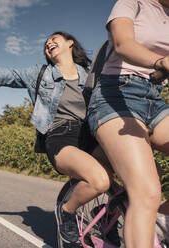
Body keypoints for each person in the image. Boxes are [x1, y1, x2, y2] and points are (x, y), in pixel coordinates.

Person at [0, 31, 115, 244]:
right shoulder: (41, 73)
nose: (49, 43)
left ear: (70, 43)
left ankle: (109, 209)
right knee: (99, 181)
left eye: (55, 38)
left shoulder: (90, 76)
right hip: (61, 137)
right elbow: (5, 75)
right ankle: (66, 210)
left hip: (90, 137)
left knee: (133, 172)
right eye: (46, 43)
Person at [86, 0, 169, 246]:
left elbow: (158, 75)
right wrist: (160, 62)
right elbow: (122, 43)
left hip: (155, 99)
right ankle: (146, 212)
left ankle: (160, 218)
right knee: (146, 193)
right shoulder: (133, 2)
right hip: (115, 93)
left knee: (150, 201)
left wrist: (160, 71)